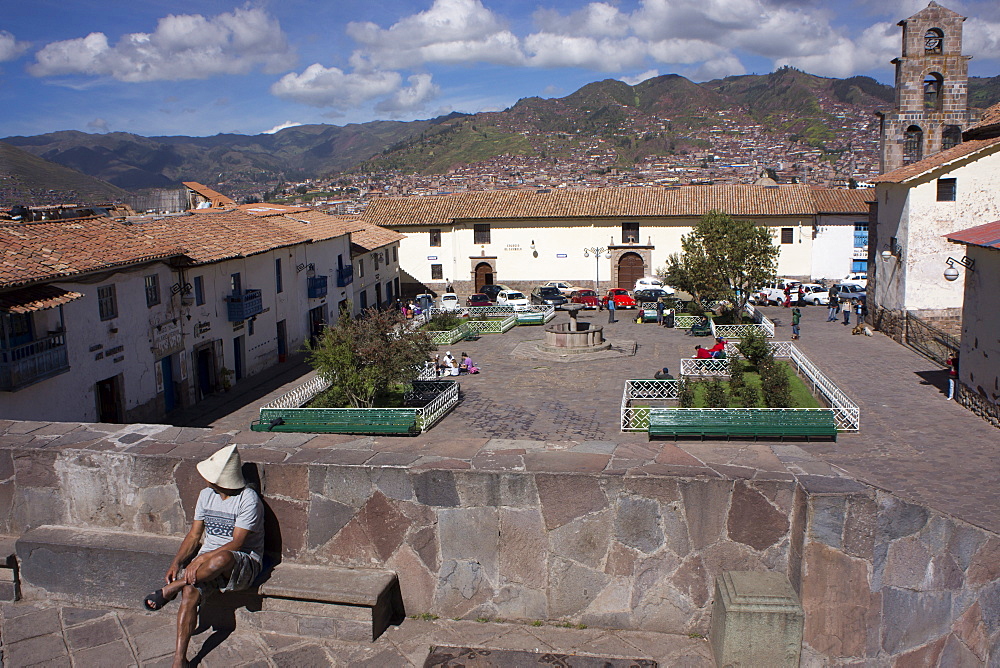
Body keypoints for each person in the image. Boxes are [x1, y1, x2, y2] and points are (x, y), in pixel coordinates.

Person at [143, 445, 264, 668]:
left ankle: (172, 588)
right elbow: (194, 534)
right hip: (204, 568)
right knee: (190, 591)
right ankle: (179, 660)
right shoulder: (206, 495)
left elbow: (237, 543)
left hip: (242, 563)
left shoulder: (248, 499)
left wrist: (199, 559)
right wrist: (177, 562)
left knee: (221, 559)